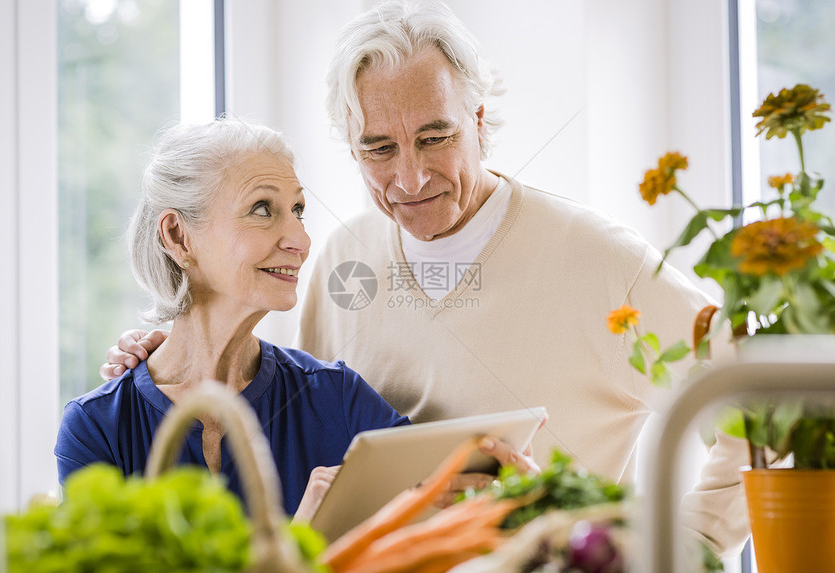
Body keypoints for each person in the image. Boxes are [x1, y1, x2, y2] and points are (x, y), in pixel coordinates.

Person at [101, 1, 750, 554]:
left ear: (478, 121)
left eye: (435, 137)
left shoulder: (601, 258)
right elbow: (289, 411)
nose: (409, 179)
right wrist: (164, 359)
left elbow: (759, 403)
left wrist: (683, 547)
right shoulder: (342, 259)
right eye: (379, 149)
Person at [54, 119, 413, 520]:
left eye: (297, 210)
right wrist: (300, 544)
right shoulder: (97, 427)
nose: (301, 240)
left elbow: (449, 495)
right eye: (263, 209)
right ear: (177, 236)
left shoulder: (337, 398)